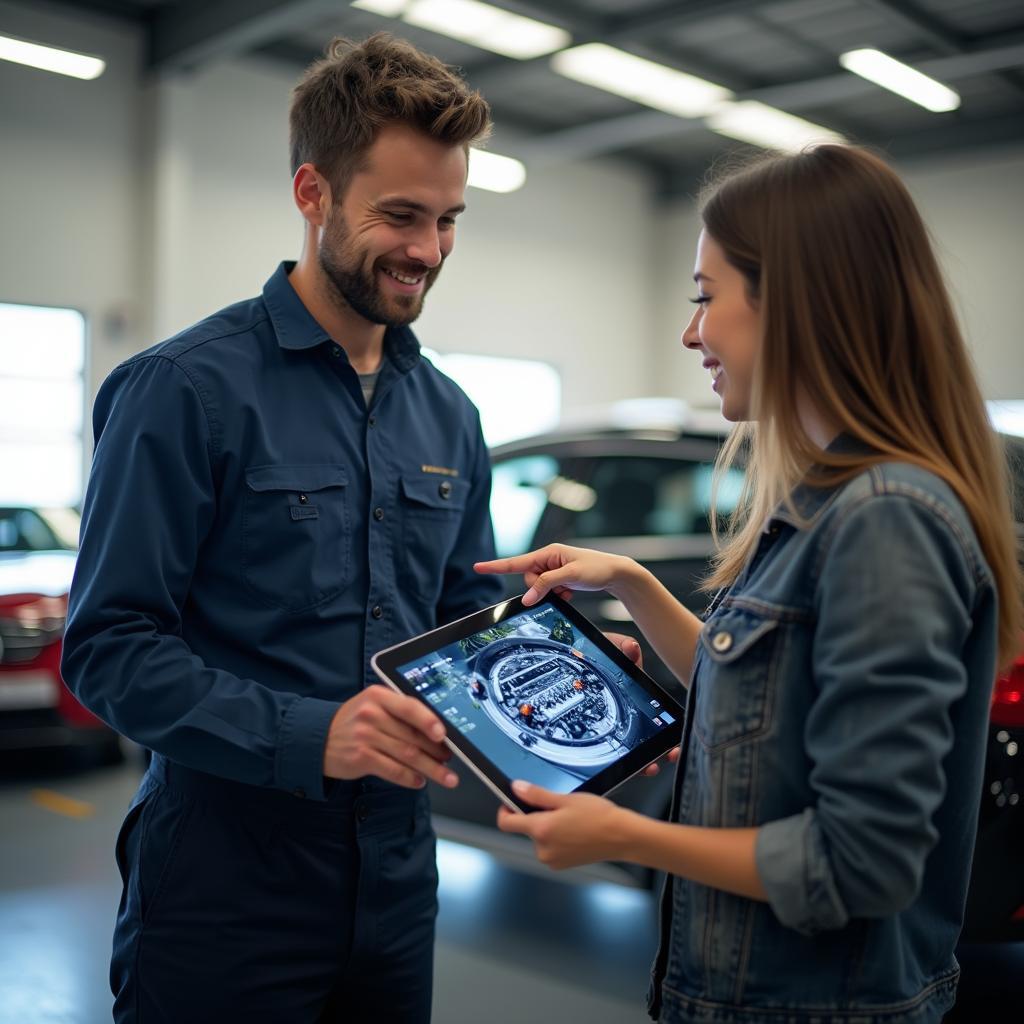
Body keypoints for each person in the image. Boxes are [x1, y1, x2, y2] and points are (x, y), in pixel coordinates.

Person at [476, 144, 1022, 1024]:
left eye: (705, 298)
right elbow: (774, 693)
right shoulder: (827, 499)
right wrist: (637, 586)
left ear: (798, 303)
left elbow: (863, 862)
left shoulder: (885, 519)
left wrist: (625, 835)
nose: (692, 335)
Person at [62, 33, 506, 1024]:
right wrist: (317, 735)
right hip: (223, 885)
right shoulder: (182, 391)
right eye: (399, 214)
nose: (427, 251)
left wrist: (561, 677)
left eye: (447, 219)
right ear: (313, 194)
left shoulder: (450, 415)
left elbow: (460, 618)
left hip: (397, 879)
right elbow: (108, 648)